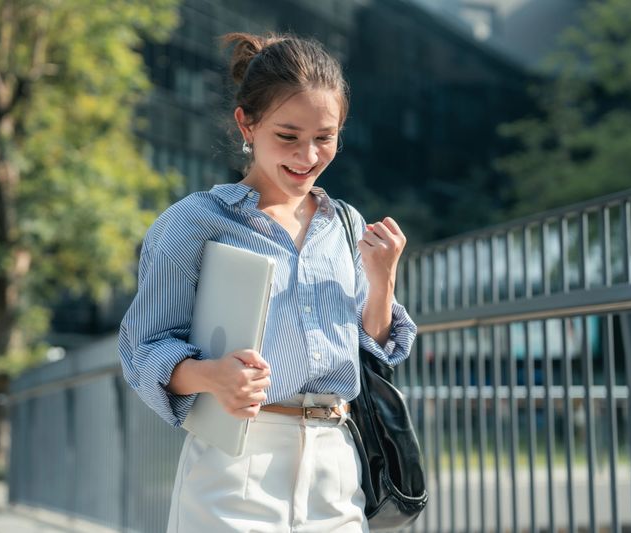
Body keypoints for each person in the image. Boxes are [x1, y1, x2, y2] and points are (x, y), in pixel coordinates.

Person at [118, 32, 417, 533]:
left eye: (324, 137)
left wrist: (382, 279)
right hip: (235, 465)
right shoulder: (194, 222)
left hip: (336, 469)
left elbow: (376, 352)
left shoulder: (344, 225)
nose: (307, 155)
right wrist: (212, 376)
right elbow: (141, 349)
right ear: (247, 124)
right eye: (287, 136)